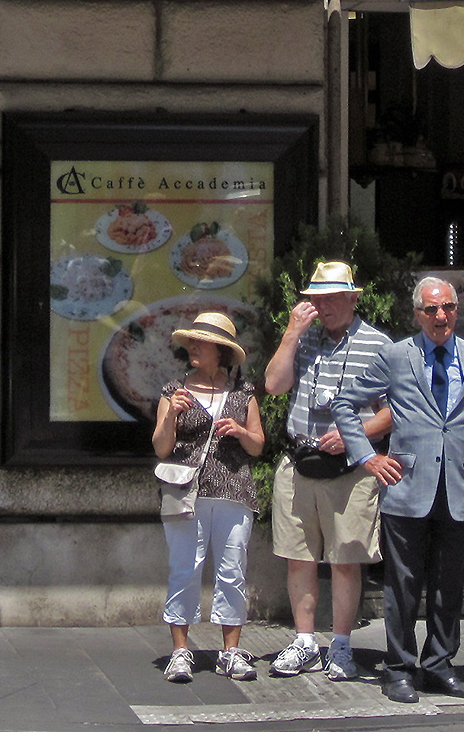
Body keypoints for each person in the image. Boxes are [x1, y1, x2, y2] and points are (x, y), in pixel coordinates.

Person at [333, 276, 464, 704]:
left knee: (448, 584)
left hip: (458, 485)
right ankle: (398, 668)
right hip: (405, 484)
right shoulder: (397, 355)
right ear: (417, 313)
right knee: (403, 584)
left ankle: (439, 665)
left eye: (449, 307)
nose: (442, 316)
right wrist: (367, 456)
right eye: (432, 309)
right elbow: (344, 402)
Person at [264, 260, 392, 680]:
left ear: (354, 298)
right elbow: (274, 386)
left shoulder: (378, 345)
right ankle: (304, 642)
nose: (324, 305)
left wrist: (355, 433)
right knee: (298, 558)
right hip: (299, 460)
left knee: (345, 559)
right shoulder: (303, 338)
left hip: (350, 467)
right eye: (317, 298)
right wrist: (290, 334)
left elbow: (396, 410)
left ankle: (340, 645)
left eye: (334, 297)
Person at [154, 312, 265, 684]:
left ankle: (230, 652)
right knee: (185, 569)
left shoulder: (242, 393)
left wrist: (239, 431)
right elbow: (161, 446)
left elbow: (258, 445)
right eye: (192, 342)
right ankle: (180, 652)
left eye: (201, 343)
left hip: (233, 490)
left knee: (232, 572)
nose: (194, 348)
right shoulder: (174, 391)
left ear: (221, 351)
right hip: (187, 492)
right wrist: (172, 416)